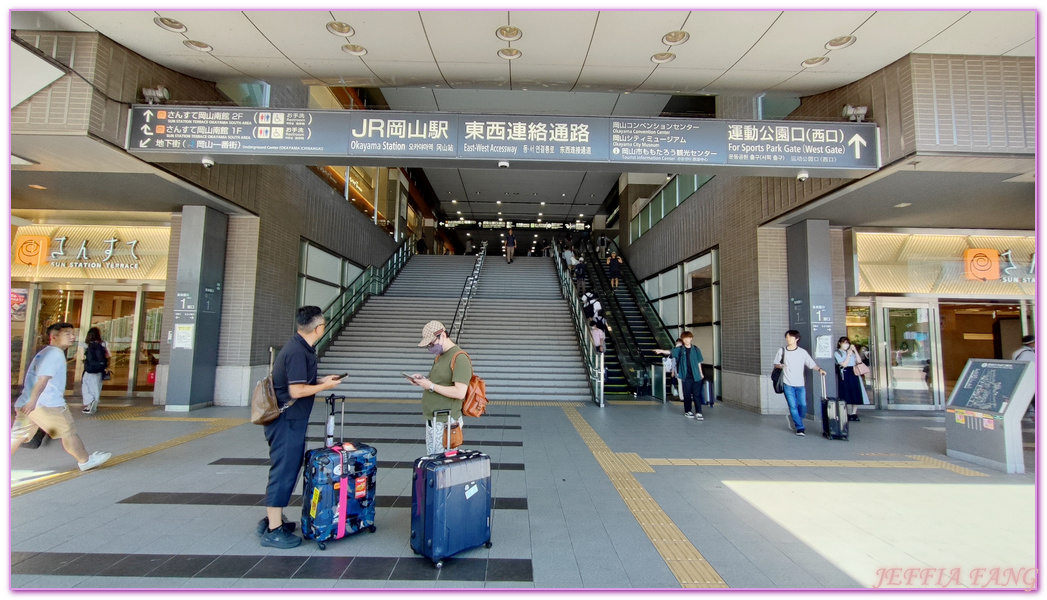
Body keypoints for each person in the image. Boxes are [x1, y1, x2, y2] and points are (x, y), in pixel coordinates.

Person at [259, 306, 344, 549]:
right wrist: (323, 387)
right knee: (284, 471)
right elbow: (296, 391)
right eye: (324, 324)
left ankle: (274, 520)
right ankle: (273, 528)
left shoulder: (299, 347)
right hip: (287, 422)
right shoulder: (297, 352)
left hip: (291, 421)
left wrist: (322, 380)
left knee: (289, 467)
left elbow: (298, 382)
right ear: (318, 328)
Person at [11, 322, 112, 472]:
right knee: (68, 432)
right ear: (54, 337)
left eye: (73, 333)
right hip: (46, 404)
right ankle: (85, 461)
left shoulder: (44, 352)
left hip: (27, 402)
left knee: (17, 435)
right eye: (67, 334)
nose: (72, 337)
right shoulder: (55, 354)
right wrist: (33, 402)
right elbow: (43, 379)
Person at [408, 320, 472, 456]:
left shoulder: (459, 358)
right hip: (434, 419)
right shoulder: (440, 356)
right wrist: (422, 380)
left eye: (432, 343)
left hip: (447, 422)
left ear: (442, 335)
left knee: (444, 463)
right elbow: (437, 381)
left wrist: (430, 385)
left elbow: (460, 392)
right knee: (433, 460)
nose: (431, 347)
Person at [773, 330, 826, 437]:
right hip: (787, 383)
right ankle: (800, 427)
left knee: (803, 405)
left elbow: (811, 364)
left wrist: (820, 369)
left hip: (800, 384)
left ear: (797, 339)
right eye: (787, 337)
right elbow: (776, 364)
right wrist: (780, 365)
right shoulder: (782, 351)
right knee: (793, 406)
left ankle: (796, 419)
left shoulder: (802, 352)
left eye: (790, 337)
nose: (788, 339)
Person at [669, 331, 705, 420]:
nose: (686, 340)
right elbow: (670, 353)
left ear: (691, 338)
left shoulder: (696, 349)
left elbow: (699, 362)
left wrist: (701, 373)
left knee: (697, 395)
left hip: (696, 376)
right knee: (687, 394)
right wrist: (661, 351)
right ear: (682, 340)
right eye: (684, 339)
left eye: (688, 338)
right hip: (686, 376)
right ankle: (688, 411)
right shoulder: (680, 349)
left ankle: (699, 412)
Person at [833, 336, 864, 422]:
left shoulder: (851, 352)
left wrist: (854, 351)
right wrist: (849, 355)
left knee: (855, 392)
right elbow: (844, 364)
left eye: (847, 343)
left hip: (854, 372)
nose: (846, 345)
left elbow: (859, 361)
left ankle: (854, 413)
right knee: (845, 393)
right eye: (844, 343)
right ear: (840, 343)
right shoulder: (837, 353)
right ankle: (845, 413)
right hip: (844, 373)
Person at [81, 327, 109, 414]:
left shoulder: (85, 345)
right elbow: (108, 355)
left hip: (89, 369)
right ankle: (94, 403)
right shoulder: (103, 343)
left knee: (86, 386)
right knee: (96, 386)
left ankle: (90, 402)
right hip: (99, 369)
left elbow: (81, 357)